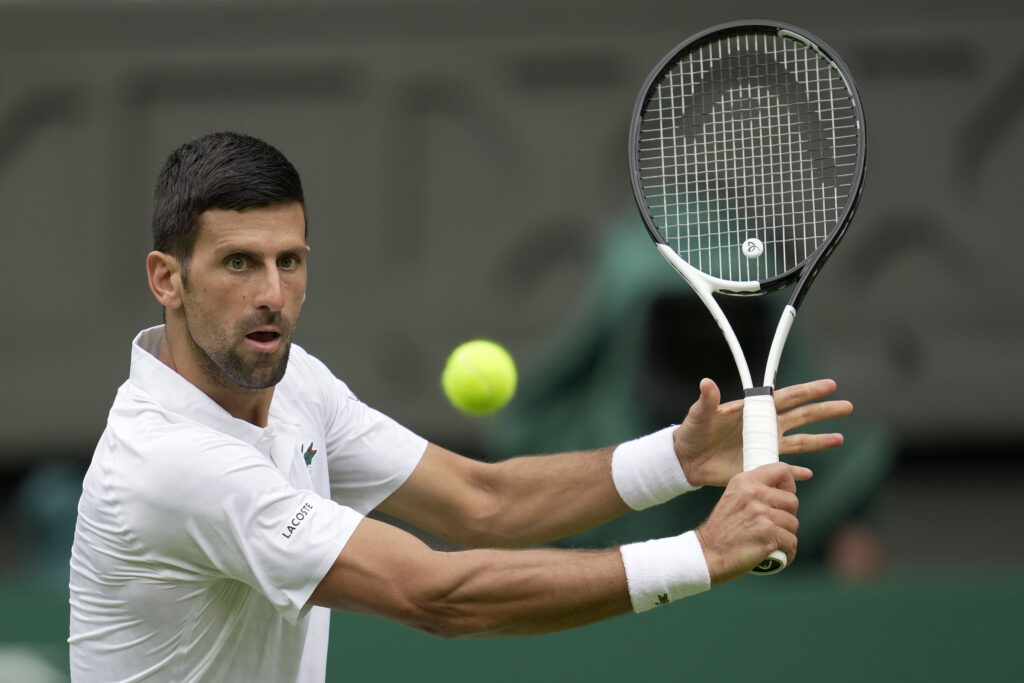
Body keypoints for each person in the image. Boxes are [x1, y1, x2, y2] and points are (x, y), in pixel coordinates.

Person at [68, 131, 853, 682]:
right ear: (166, 278)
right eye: (238, 262)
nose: (272, 293)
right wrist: (701, 555)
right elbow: (436, 594)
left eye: (290, 261)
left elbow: (482, 502)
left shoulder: (292, 382)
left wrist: (677, 461)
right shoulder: (169, 463)